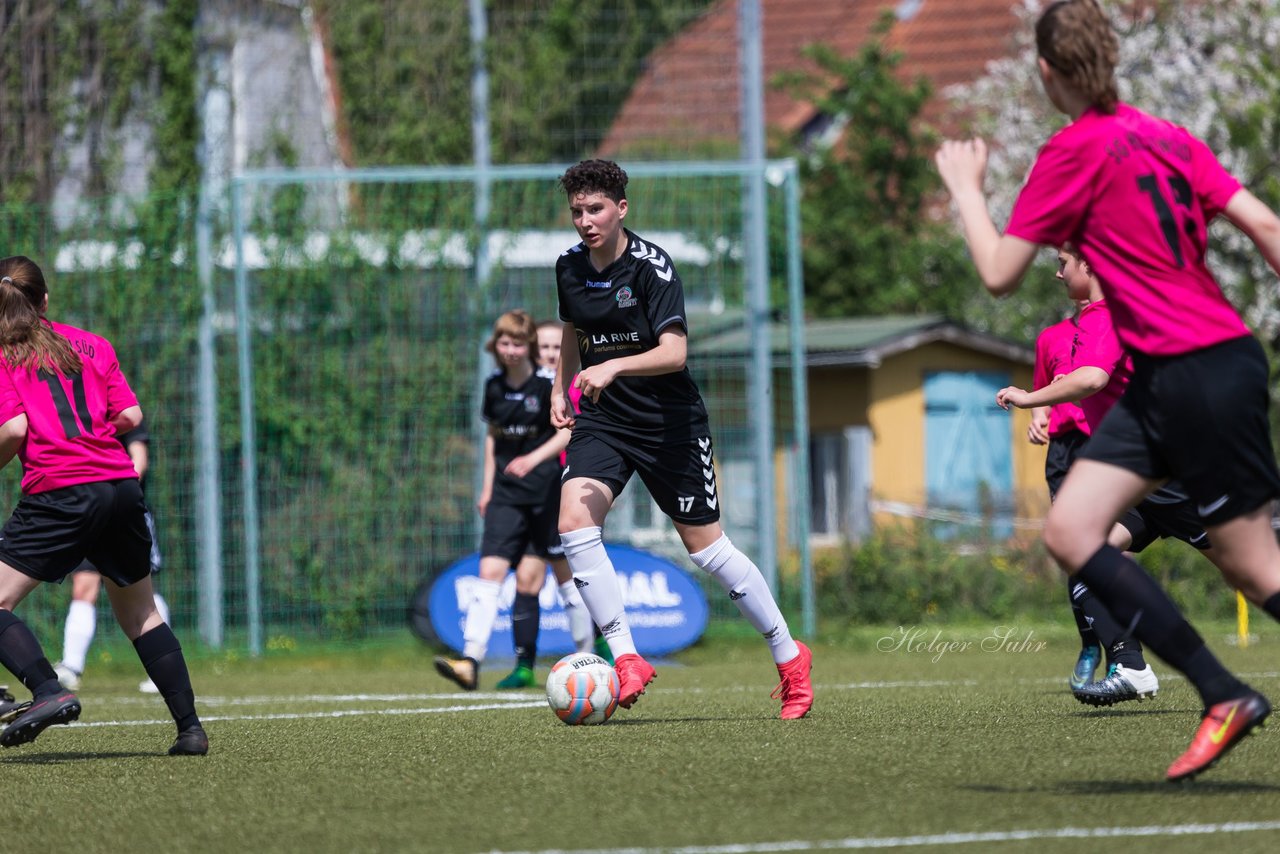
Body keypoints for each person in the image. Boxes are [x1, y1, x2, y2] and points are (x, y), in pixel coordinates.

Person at [935, 0, 1280, 780]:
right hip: (1213, 361)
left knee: (1234, 564)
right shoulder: (1171, 136)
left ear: (1048, 71)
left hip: (1187, 371)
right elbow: (1264, 226)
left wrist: (965, 187)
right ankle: (1223, 694)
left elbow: (997, 274)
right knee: (1091, 534)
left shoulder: (1070, 151)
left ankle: (1220, 692)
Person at [551, 159, 814, 718]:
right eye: (577, 211)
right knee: (573, 520)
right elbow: (573, 332)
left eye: (595, 209)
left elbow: (675, 352)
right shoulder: (569, 267)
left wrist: (613, 366)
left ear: (622, 209)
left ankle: (790, 658)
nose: (585, 221)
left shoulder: (653, 268)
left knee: (710, 552)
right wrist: (560, 388)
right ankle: (626, 658)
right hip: (603, 419)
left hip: (669, 426)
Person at [0, 255, 207, 754]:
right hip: (119, 486)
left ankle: (47, 690)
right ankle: (191, 730)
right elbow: (131, 413)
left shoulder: (4, 354)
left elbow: (14, 429)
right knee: (141, 614)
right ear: (45, 301)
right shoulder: (92, 343)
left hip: (62, 490)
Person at [435, 310, 572, 690]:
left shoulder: (547, 387)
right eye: (504, 343)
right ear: (495, 346)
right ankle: (470, 661)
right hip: (507, 499)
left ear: (528, 347)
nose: (510, 350)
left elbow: (567, 433)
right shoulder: (493, 386)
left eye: (517, 343)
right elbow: (494, 437)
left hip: (546, 497)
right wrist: (487, 489)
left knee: (543, 579)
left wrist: (532, 458)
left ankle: (585, 653)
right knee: (489, 573)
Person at [53, 418, 171, 694]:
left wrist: (113, 492)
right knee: (83, 586)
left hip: (125, 514)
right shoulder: (78, 413)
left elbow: (139, 462)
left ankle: (162, 667)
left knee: (141, 593)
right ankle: (71, 667)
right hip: (90, 515)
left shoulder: (124, 412)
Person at [536, 318, 611, 664]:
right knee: (547, 571)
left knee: (578, 566)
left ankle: (605, 643)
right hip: (540, 491)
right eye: (544, 348)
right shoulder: (533, 390)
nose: (551, 354)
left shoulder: (581, 385)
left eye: (556, 347)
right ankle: (587, 646)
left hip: (577, 484)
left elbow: (574, 431)